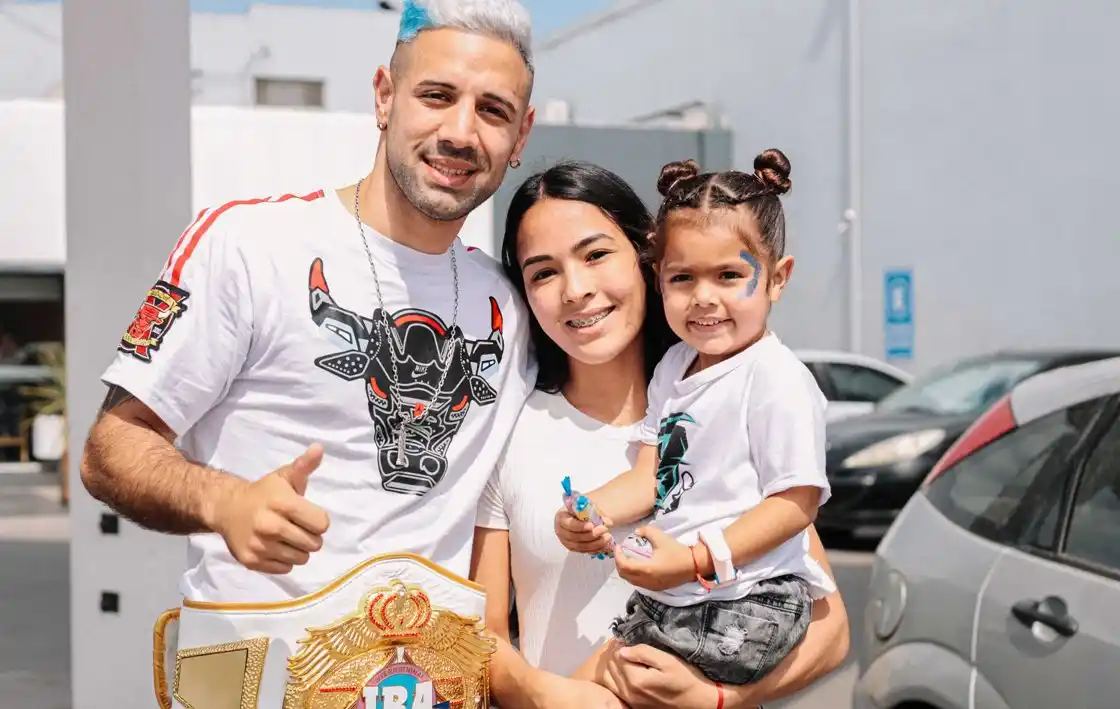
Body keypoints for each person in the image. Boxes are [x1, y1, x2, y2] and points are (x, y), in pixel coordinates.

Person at [78, 0, 539, 604]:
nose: (459, 132)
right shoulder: (248, 246)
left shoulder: (512, 303)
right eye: (435, 96)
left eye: (492, 110)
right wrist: (226, 503)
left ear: (521, 135)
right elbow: (109, 448)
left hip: (436, 684)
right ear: (383, 96)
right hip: (260, 680)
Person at [472, 160, 850, 709]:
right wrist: (552, 698)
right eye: (543, 272)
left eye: (596, 254)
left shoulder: (733, 399)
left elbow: (830, 628)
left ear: (643, 258)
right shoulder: (505, 433)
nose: (576, 290)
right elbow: (482, 637)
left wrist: (716, 698)